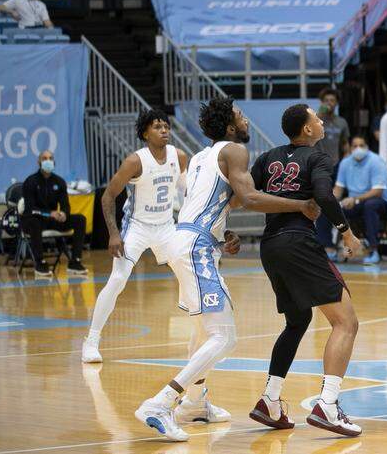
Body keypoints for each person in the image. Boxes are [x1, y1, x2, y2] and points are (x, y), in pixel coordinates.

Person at [135, 97, 319, 442]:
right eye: (240, 116)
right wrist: (301, 205)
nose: (246, 120)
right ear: (230, 126)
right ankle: (160, 404)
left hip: (189, 239)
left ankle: (194, 404)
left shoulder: (204, 157)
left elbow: (217, 202)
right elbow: (248, 198)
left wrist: (223, 235)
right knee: (225, 336)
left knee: (202, 332)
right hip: (195, 248)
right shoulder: (234, 151)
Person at [248, 104, 363, 437]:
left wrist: (224, 231)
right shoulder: (318, 158)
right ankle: (327, 405)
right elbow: (325, 195)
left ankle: (269, 400)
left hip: (270, 247)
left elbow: (245, 195)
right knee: (346, 322)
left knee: (298, 321)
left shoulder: (267, 157)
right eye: (316, 118)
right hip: (299, 243)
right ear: (308, 130)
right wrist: (346, 232)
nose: (322, 121)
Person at [83, 110, 189, 363]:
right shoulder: (135, 161)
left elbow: (187, 192)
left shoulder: (180, 156)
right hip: (137, 227)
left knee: (189, 275)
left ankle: (200, 336)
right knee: (118, 279)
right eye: (157, 126)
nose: (164, 130)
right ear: (145, 133)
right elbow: (107, 196)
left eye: (166, 126)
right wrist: (113, 233)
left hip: (166, 228)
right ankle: (91, 341)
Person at [20, 150, 88, 277]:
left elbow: (65, 205)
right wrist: (49, 213)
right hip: (32, 219)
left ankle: (75, 261)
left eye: (50, 158)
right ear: (39, 162)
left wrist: (64, 214)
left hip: (51, 220)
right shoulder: (30, 181)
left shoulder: (59, 182)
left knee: (80, 219)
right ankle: (40, 263)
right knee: (34, 222)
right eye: (45, 158)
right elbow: (29, 208)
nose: (48, 161)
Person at [333, 136, 387, 265]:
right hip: (355, 203)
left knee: (370, 206)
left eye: (361, 145)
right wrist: (327, 201)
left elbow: (377, 191)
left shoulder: (376, 161)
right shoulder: (345, 163)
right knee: (327, 208)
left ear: (367, 147)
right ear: (350, 148)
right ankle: (328, 248)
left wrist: (354, 199)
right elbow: (338, 189)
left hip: (379, 202)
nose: (358, 148)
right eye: (354, 146)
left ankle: (374, 250)